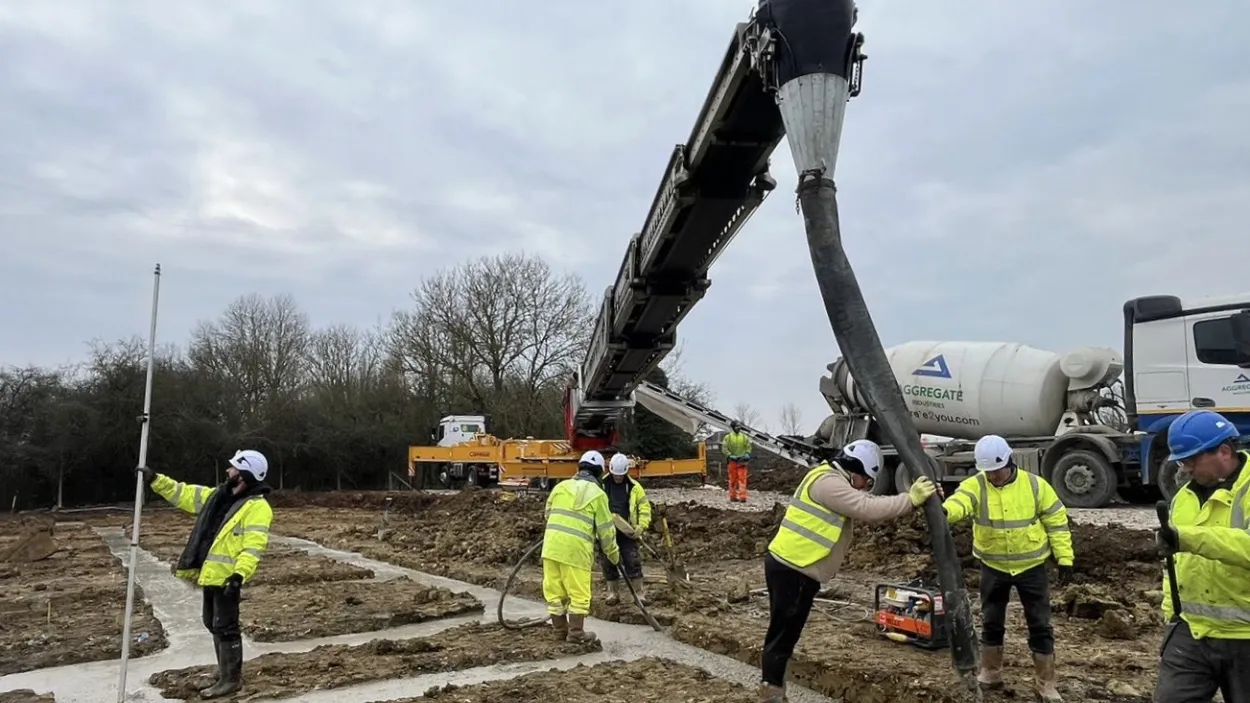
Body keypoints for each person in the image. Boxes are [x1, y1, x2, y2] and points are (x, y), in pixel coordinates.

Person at [758, 439, 938, 703]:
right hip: (794, 568)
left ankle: (773, 690)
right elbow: (867, 508)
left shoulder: (827, 477)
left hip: (792, 564)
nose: (866, 487)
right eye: (866, 480)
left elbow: (865, 500)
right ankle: (771, 694)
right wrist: (910, 500)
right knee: (783, 635)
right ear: (856, 471)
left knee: (784, 633)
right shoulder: (828, 484)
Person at [942, 434, 1073, 703]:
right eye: (988, 472)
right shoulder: (976, 485)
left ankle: (1046, 682)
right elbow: (960, 502)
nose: (993, 477)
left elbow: (1057, 522)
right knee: (991, 621)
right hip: (993, 565)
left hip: (1032, 566)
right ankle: (991, 672)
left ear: (1010, 462)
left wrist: (1065, 558)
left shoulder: (1035, 486)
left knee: (1039, 624)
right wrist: (944, 511)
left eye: (997, 471)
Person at [136, 449, 274, 699]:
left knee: (226, 626)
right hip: (210, 574)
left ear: (244, 475)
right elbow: (185, 494)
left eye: (233, 468)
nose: (228, 471)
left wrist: (239, 575)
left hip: (228, 577)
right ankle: (224, 673)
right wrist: (156, 479)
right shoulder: (219, 496)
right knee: (211, 622)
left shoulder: (257, 508)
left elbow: (253, 546)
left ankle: (231, 679)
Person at [1152, 409, 1250, 702]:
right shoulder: (1184, 497)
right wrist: (1174, 614)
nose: (1185, 469)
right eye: (1182, 461)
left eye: (1192, 459)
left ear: (1223, 451)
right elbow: (1174, 564)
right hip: (1192, 632)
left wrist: (1188, 538)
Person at [541, 450, 620, 643]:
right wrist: (613, 554)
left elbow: (547, 514)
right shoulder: (598, 494)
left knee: (554, 591)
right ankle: (576, 633)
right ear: (599, 473)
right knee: (578, 593)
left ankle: (560, 630)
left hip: (551, 546)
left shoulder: (560, 487)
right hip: (575, 551)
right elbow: (606, 530)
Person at [601, 452, 653, 605]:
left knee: (632, 560)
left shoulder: (635, 488)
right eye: (615, 475)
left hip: (627, 531)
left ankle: (639, 593)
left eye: (620, 475)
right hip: (606, 531)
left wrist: (640, 526)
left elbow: (644, 508)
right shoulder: (601, 485)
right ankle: (612, 593)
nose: (618, 477)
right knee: (608, 562)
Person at [723, 421, 753, 503]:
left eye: (739, 426)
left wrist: (747, 453)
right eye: (737, 426)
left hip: (742, 461)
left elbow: (748, 447)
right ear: (733, 427)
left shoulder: (744, 437)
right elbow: (724, 448)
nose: (739, 428)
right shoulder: (728, 437)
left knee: (742, 479)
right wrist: (729, 455)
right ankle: (732, 496)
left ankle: (742, 497)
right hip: (732, 461)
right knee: (732, 480)